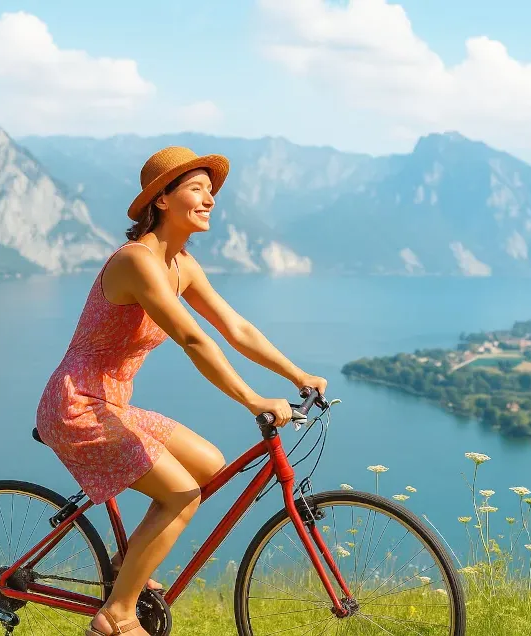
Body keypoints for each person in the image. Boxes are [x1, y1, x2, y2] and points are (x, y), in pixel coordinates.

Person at [35, 146, 328, 636]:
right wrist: (253, 399)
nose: (210, 200)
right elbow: (193, 338)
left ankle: (125, 568)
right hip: (78, 406)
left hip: (113, 405)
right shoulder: (138, 262)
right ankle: (116, 616)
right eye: (197, 189)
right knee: (180, 494)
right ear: (163, 200)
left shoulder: (180, 264)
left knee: (212, 469)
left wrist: (297, 375)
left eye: (211, 193)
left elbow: (236, 327)